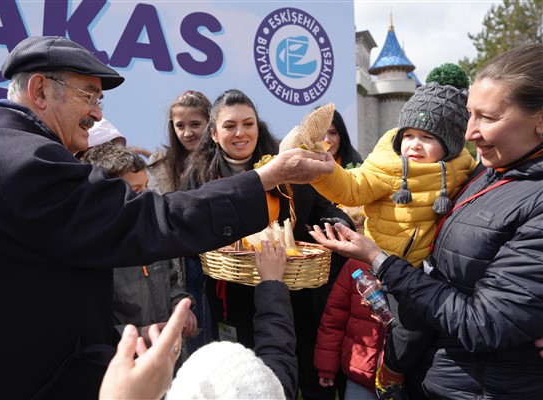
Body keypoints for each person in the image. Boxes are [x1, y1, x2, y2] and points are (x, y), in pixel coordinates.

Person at [0, 35, 333, 399]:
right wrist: (266, 178)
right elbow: (146, 219)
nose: (96, 114)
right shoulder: (24, 160)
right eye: (89, 96)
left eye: (100, 101)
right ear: (40, 90)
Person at [309, 44, 543, 399]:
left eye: (489, 118)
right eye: (470, 115)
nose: (469, 133)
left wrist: (381, 261)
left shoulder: (512, 186)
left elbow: (484, 323)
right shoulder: (490, 171)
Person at [311, 64, 476, 398]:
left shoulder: (465, 171)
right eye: (409, 135)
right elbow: (351, 188)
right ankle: (388, 374)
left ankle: (393, 372)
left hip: (424, 276)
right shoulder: (387, 167)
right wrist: (323, 172)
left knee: (414, 332)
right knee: (394, 330)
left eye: (428, 138)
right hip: (379, 264)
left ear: (452, 145)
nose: (415, 144)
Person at [181, 88, 354, 399]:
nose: (240, 133)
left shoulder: (287, 164)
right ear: (214, 134)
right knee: (245, 379)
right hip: (232, 298)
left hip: (294, 292)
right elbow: (187, 231)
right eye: (229, 126)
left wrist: (337, 222)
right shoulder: (200, 176)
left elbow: (319, 208)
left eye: (248, 123)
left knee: (301, 369)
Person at [101, 240, 297, 400]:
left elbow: (170, 280)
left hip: (146, 369)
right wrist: (273, 285)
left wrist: (177, 302)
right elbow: (279, 356)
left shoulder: (147, 238)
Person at [79, 141, 197, 344]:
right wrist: (140, 334)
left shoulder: (153, 235)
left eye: (146, 187)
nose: (146, 196)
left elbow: (171, 282)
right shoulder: (94, 253)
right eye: (134, 190)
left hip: (168, 355)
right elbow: (87, 326)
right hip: (124, 362)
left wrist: (181, 305)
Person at [147, 90, 213, 353]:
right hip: (177, 266)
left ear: (210, 123)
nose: (187, 133)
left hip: (214, 264)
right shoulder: (159, 166)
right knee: (188, 338)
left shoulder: (219, 161)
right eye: (180, 126)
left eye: (195, 124)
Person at [314, 258, 384, 400]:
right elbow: (334, 320)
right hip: (360, 377)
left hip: (403, 378)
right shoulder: (356, 264)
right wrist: (327, 366)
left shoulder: (420, 266)